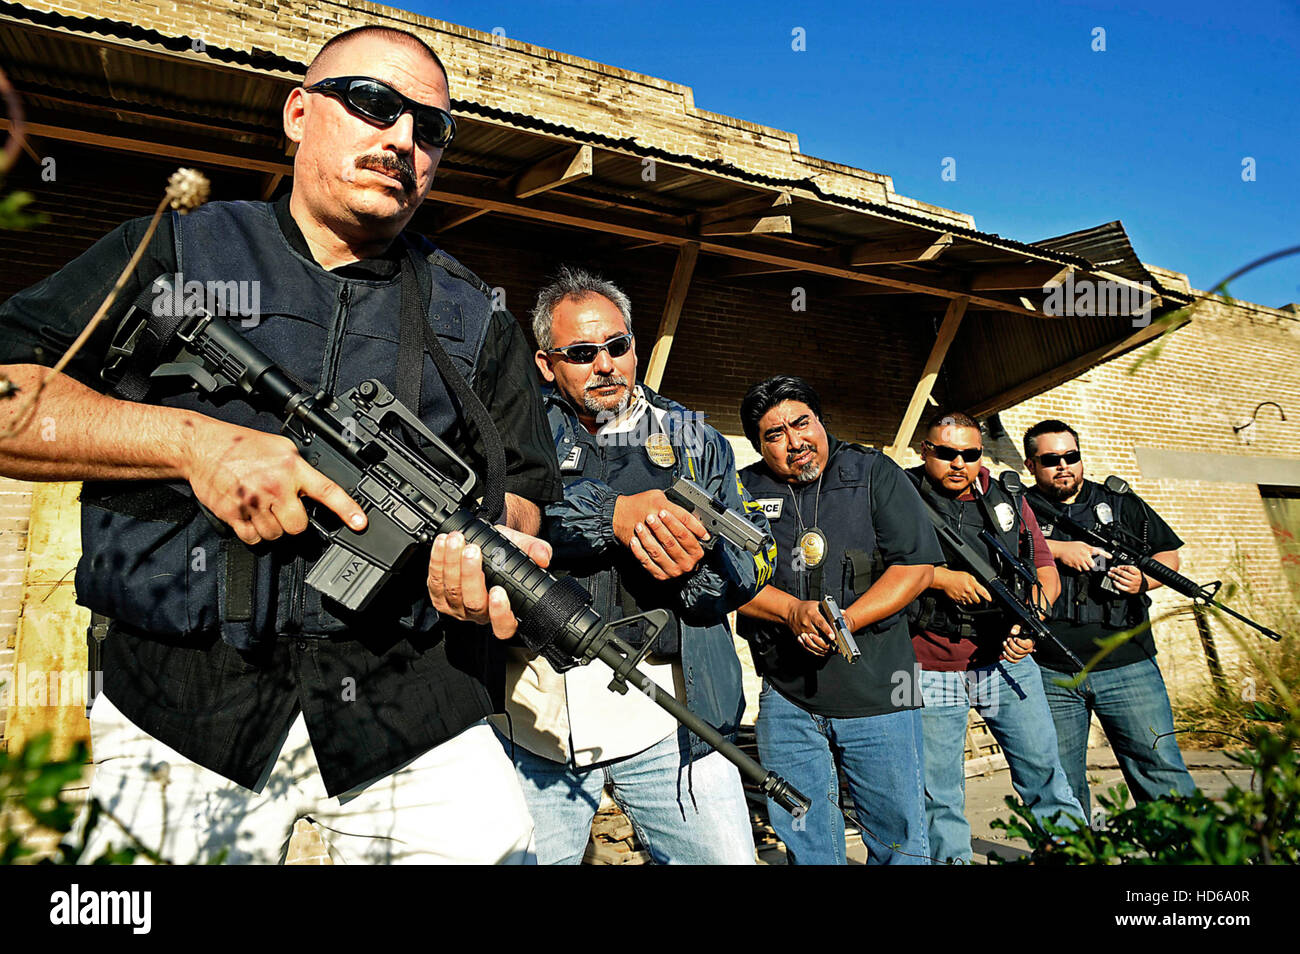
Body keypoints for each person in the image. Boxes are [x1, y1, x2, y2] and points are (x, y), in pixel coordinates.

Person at [0, 26, 563, 864]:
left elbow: (521, 481)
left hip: (406, 704)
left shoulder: (475, 314)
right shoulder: (178, 250)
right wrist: (191, 443)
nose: (402, 140)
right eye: (373, 104)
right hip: (185, 702)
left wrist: (489, 550)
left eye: (432, 128)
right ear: (299, 112)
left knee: (501, 839)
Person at [489, 266, 771, 864]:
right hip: (537, 713)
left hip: (676, 713)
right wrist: (612, 516)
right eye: (582, 352)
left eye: (618, 346)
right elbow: (495, 520)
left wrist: (700, 566)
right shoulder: (510, 429)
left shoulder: (695, 436)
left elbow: (756, 556)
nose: (605, 364)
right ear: (546, 363)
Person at [735, 375, 940, 864]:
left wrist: (842, 620)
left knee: (899, 837)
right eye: (774, 434)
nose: (794, 442)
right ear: (760, 446)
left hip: (881, 689)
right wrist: (790, 611)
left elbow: (916, 568)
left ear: (820, 421)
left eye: (801, 423)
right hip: (787, 696)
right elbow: (728, 583)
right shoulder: (743, 489)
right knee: (805, 839)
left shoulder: (874, 471)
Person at [906, 411, 1083, 863]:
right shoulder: (897, 493)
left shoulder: (1005, 495)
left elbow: (1045, 567)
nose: (958, 463)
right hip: (924, 666)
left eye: (969, 453)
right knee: (936, 793)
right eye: (945, 453)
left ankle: (1076, 856)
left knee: (1046, 774)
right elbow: (876, 568)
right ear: (925, 450)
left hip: (1008, 660)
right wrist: (939, 579)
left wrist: (1031, 621)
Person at [1022, 419, 1196, 817]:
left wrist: (1143, 580)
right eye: (1051, 459)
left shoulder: (1118, 502)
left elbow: (1168, 556)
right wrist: (1057, 550)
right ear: (1032, 465)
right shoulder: (1018, 508)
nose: (1063, 465)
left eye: (1071, 456)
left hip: (1128, 664)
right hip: (1051, 670)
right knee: (1058, 782)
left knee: (1160, 769)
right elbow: (999, 551)